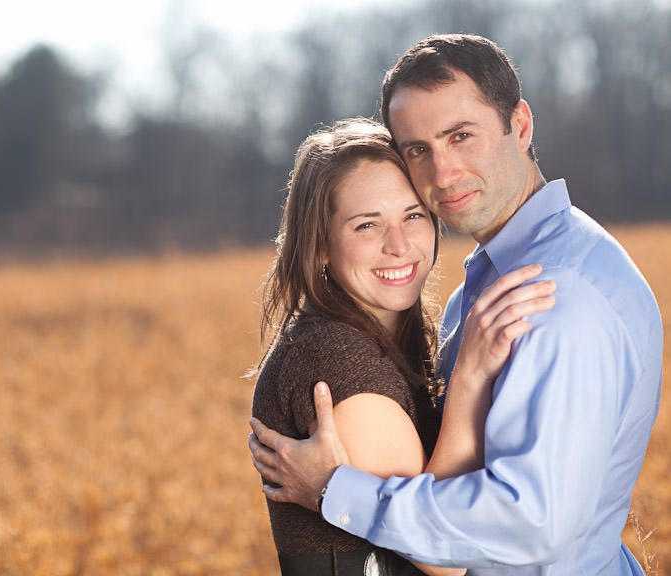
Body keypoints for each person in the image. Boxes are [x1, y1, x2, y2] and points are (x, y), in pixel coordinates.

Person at [249, 34, 663, 575]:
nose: (441, 174)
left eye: (460, 136)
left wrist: (336, 489)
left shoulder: (551, 298)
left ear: (520, 125)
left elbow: (531, 522)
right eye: (418, 149)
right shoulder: (497, 280)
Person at [251, 117, 556, 576]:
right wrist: (471, 377)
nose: (399, 245)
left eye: (412, 215)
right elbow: (445, 557)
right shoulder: (335, 364)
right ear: (320, 246)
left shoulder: (379, 340)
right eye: (366, 226)